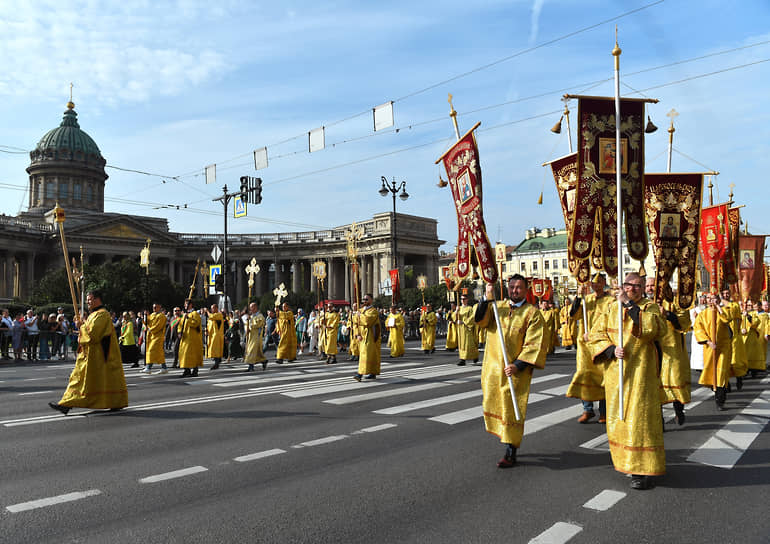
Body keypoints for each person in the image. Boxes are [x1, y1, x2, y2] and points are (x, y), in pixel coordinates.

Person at [588, 272, 666, 490]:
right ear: (624, 285)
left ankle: (642, 470)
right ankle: (625, 462)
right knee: (619, 421)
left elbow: (654, 329)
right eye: (630, 285)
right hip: (616, 375)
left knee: (640, 421)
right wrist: (611, 349)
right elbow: (595, 335)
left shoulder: (649, 307)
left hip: (641, 374)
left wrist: (630, 305)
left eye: (639, 286)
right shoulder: (611, 308)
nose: (634, 289)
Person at [475, 275, 548, 468]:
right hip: (493, 368)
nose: (514, 291)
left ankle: (510, 450)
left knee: (512, 409)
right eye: (512, 287)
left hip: (515, 372)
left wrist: (518, 365)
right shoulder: (497, 307)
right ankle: (505, 440)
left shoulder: (532, 313)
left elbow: (535, 343)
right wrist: (486, 298)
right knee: (495, 405)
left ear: (526, 290)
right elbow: (480, 320)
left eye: (519, 288)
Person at [48, 290, 128, 414]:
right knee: (78, 378)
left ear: (98, 299)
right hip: (89, 354)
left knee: (90, 379)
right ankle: (66, 403)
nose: (87, 302)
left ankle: (115, 402)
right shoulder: (93, 315)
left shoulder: (103, 314)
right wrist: (81, 326)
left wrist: (81, 326)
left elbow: (93, 334)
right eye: (87, 300)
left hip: (99, 355)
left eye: (90, 299)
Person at [567, 273, 612, 423]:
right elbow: (573, 314)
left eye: (599, 282)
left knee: (603, 376)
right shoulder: (587, 300)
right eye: (593, 282)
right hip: (585, 345)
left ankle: (604, 411)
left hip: (602, 343)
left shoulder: (610, 300)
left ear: (604, 282)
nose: (596, 285)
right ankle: (587, 409)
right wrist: (578, 297)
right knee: (584, 373)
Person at [645, 277, 690, 425]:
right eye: (648, 286)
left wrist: (668, 315)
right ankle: (659, 421)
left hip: (672, 350)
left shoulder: (674, 302)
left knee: (674, 382)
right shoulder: (644, 304)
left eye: (653, 285)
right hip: (652, 352)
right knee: (654, 386)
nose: (650, 288)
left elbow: (684, 323)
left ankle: (679, 410)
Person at [693, 292, 733, 410]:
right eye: (709, 299)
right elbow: (698, 329)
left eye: (714, 298)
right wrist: (708, 342)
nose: (711, 301)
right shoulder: (703, 314)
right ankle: (717, 390)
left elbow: (727, 319)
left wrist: (718, 307)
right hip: (710, 348)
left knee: (720, 374)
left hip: (723, 347)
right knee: (712, 373)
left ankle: (720, 400)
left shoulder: (723, 311)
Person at [354, 293, 382, 381]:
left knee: (365, 354)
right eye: (364, 299)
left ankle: (360, 374)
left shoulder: (373, 311)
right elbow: (355, 322)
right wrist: (357, 334)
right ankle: (372, 372)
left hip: (370, 335)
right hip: (361, 336)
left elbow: (367, 321)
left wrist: (360, 315)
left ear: (371, 300)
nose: (364, 301)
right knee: (369, 354)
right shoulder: (361, 310)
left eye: (367, 299)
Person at [178, 299, 203, 377]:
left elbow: (195, 324)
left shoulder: (195, 313)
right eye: (184, 304)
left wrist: (188, 319)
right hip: (185, 337)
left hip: (192, 338)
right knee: (184, 354)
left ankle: (195, 370)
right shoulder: (184, 314)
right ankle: (186, 369)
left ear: (191, 305)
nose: (185, 305)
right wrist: (179, 332)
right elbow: (180, 324)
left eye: (187, 304)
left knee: (193, 354)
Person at [143, 303, 168, 374]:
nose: (154, 309)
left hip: (158, 336)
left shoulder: (162, 316)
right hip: (151, 336)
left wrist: (151, 329)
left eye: (155, 307)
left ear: (159, 307)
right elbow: (146, 322)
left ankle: (148, 367)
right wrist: (145, 315)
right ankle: (164, 367)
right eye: (153, 307)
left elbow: (158, 326)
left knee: (151, 350)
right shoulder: (152, 315)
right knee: (159, 352)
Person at [456, 292, 479, 365]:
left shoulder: (469, 308)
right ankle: (462, 359)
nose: (463, 300)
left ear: (467, 300)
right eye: (461, 299)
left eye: (464, 299)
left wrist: (464, 322)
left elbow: (472, 317)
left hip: (467, 328)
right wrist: (456, 312)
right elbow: (454, 317)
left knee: (469, 343)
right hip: (460, 329)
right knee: (461, 344)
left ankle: (474, 356)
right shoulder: (459, 308)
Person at [244, 302, 267, 371]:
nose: (251, 309)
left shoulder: (260, 316)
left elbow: (259, 324)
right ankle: (264, 361)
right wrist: (247, 328)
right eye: (250, 307)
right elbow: (246, 325)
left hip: (257, 336)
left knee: (251, 351)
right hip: (251, 336)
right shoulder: (251, 316)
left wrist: (250, 325)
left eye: (252, 307)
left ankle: (251, 367)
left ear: (256, 307)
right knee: (256, 353)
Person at [207, 304, 225, 370]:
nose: (212, 310)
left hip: (217, 335)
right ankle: (217, 361)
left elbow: (211, 317)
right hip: (212, 335)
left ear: (217, 308)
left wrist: (207, 312)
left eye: (213, 308)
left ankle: (216, 363)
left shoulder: (219, 314)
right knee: (214, 349)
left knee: (216, 349)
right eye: (211, 308)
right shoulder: (214, 316)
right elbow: (209, 323)